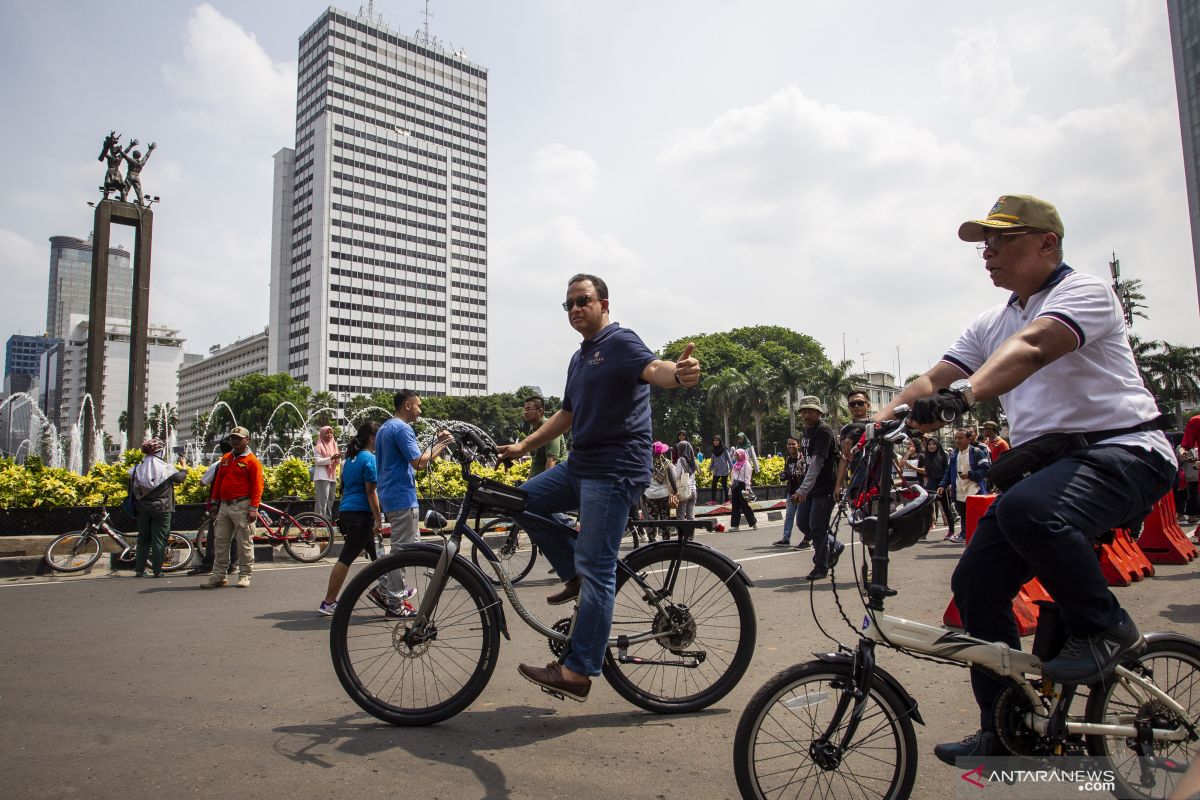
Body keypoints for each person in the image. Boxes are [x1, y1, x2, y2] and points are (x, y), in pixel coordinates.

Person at [880, 194, 1177, 764]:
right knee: (975, 586)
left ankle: (1104, 629)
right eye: (982, 243)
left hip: (1125, 452)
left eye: (1001, 239)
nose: (986, 252)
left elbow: (1035, 346)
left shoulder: (1083, 293)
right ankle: (1008, 728)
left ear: (1048, 243)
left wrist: (963, 398)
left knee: (1027, 510)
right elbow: (933, 377)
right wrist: (878, 419)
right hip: (1056, 469)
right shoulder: (991, 321)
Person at [496, 273, 700, 702]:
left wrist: (678, 375)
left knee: (598, 569)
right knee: (521, 502)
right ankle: (572, 572)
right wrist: (522, 446)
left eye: (582, 300)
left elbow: (655, 369)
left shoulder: (622, 342)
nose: (574, 309)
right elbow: (566, 414)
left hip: (615, 468)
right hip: (581, 464)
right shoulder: (578, 359)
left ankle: (578, 670)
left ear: (604, 303)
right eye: (568, 304)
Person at [372, 390, 454, 611]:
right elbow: (419, 462)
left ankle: (386, 589)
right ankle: (394, 601)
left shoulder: (385, 428)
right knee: (402, 552)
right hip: (402, 496)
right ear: (407, 405)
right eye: (418, 406)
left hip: (390, 495)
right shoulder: (402, 428)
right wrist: (443, 444)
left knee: (407, 547)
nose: (420, 410)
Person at [319, 421, 381, 616]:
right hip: (361, 514)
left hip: (347, 512)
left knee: (378, 557)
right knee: (346, 557)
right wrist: (379, 519)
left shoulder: (350, 459)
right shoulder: (369, 459)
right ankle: (328, 602)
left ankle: (390, 594)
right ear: (372, 438)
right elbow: (371, 492)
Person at [202, 426, 265, 589]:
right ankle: (219, 576)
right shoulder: (226, 459)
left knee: (244, 542)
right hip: (224, 506)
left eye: (239, 438)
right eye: (233, 438)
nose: (235, 441)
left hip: (243, 505)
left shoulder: (252, 461)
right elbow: (219, 483)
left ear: (247, 440)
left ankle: (244, 575)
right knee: (220, 541)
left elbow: (258, 486)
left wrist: (253, 508)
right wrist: (214, 502)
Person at [794, 396, 842, 580]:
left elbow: (817, 463)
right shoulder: (807, 430)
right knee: (802, 522)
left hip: (824, 487)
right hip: (810, 486)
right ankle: (834, 546)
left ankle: (821, 566)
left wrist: (802, 490)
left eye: (810, 411)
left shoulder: (824, 431)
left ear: (818, 412)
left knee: (817, 525)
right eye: (804, 411)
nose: (806, 414)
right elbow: (806, 459)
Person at [128, 439, 187, 577]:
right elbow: (181, 478)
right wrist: (184, 466)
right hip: (162, 509)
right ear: (160, 452)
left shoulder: (137, 469)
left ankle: (139, 570)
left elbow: (131, 489)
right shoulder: (166, 468)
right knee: (159, 539)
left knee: (143, 538)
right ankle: (157, 571)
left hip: (142, 509)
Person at [186, 436, 238, 576]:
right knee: (235, 535)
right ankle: (232, 565)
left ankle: (210, 563)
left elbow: (203, 482)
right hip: (236, 504)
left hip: (220, 504)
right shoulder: (240, 463)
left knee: (215, 535)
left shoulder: (218, 464)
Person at [937, 429, 990, 544]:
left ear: (969, 439)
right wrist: (942, 485)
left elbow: (986, 469)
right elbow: (949, 471)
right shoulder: (954, 454)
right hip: (959, 489)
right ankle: (965, 534)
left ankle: (975, 535)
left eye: (960, 438)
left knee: (974, 514)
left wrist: (970, 475)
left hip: (974, 489)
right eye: (956, 438)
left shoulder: (977, 452)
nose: (957, 440)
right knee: (963, 513)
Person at [772, 435, 811, 549]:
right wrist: (783, 475)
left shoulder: (803, 459)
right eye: (789, 444)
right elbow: (787, 473)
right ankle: (786, 539)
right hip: (791, 492)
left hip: (801, 492)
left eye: (793, 444)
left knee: (802, 518)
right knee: (789, 516)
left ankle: (807, 539)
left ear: (798, 445)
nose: (791, 446)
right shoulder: (788, 459)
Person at [834, 390, 873, 500]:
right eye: (852, 404)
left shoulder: (877, 424)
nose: (856, 406)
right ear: (849, 407)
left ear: (868, 405)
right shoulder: (846, 430)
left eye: (860, 403)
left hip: (879, 480)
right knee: (858, 516)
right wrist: (838, 486)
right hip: (857, 481)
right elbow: (844, 458)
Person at [920, 436, 957, 535]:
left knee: (946, 508)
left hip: (941, 484)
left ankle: (951, 531)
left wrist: (946, 484)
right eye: (929, 444)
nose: (931, 446)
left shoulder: (942, 455)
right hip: (930, 484)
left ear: (938, 445)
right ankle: (925, 530)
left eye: (934, 444)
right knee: (926, 507)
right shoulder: (926, 456)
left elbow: (947, 471)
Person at [523, 395, 565, 477]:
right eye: (524, 409)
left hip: (555, 476)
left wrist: (543, 485)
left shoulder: (551, 428)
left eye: (528, 409)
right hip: (538, 477)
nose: (525, 412)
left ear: (540, 411)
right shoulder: (532, 431)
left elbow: (552, 460)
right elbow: (535, 461)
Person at [642, 441, 676, 542]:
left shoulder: (647, 463)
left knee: (652, 517)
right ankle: (666, 539)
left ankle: (652, 539)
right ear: (663, 452)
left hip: (649, 495)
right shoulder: (667, 464)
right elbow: (672, 480)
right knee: (665, 517)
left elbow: (643, 480)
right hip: (664, 495)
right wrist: (675, 491)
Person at [313, 425, 340, 521]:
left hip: (331, 475)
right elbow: (317, 461)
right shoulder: (319, 446)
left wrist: (337, 458)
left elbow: (336, 463)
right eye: (327, 433)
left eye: (331, 433)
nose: (329, 435)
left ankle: (327, 520)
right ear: (322, 434)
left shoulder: (333, 445)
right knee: (322, 499)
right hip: (322, 476)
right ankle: (319, 520)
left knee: (331, 499)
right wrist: (331, 458)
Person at [728, 448, 757, 532]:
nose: (736, 456)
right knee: (735, 506)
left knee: (744, 506)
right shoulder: (735, 464)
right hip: (735, 486)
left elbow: (747, 478)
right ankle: (735, 526)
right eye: (735, 455)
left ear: (742, 455)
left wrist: (747, 488)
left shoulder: (746, 464)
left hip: (742, 486)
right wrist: (731, 489)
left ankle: (753, 523)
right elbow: (732, 477)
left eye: (737, 455)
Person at [673, 431, 698, 525]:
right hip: (693, 490)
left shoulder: (681, 460)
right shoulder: (693, 460)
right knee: (691, 516)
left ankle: (682, 537)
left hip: (684, 491)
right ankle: (690, 536)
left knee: (681, 516)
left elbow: (676, 476)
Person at [709, 435, 731, 503]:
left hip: (724, 470)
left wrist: (732, 468)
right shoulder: (713, 450)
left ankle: (727, 500)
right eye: (715, 440)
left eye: (717, 440)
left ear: (720, 441)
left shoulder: (724, 449)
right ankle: (713, 500)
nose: (716, 442)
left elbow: (729, 459)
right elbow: (712, 460)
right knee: (714, 485)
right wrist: (710, 469)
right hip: (716, 470)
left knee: (724, 485)